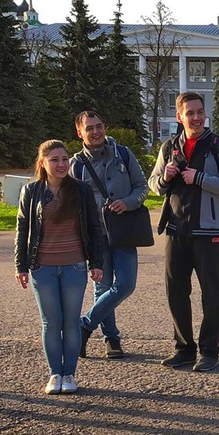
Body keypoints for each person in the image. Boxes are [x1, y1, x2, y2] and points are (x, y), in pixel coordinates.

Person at [149, 93, 219, 371]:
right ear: (179, 117)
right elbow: (153, 184)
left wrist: (200, 178)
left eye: (200, 112)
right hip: (176, 229)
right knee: (175, 291)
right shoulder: (169, 146)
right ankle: (184, 349)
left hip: (211, 231)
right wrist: (165, 177)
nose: (196, 117)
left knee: (211, 293)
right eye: (190, 113)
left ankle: (209, 351)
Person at [16, 140, 106, 394]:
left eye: (65, 159)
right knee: (51, 323)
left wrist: (96, 263)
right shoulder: (31, 191)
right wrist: (20, 266)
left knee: (71, 323)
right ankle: (55, 374)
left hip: (74, 267)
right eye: (54, 160)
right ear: (43, 163)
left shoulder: (81, 190)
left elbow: (95, 229)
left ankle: (70, 375)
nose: (61, 164)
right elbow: (22, 230)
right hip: (42, 268)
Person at [70, 111, 148, 360]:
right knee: (102, 286)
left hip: (124, 230)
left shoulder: (123, 154)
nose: (96, 132)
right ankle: (111, 339)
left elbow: (142, 187)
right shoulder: (75, 165)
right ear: (79, 133)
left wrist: (128, 202)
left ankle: (84, 325)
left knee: (126, 284)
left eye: (99, 126)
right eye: (89, 128)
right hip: (95, 236)